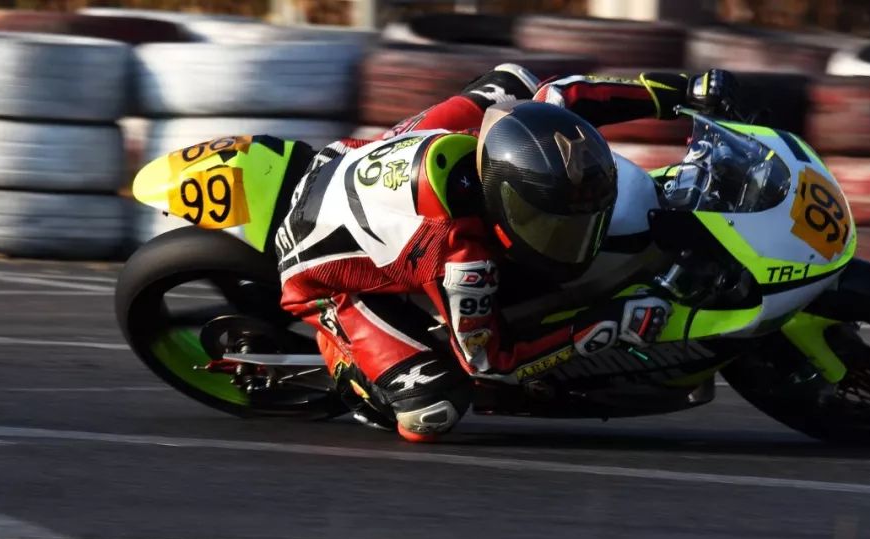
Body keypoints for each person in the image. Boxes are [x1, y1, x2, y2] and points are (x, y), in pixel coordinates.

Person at [275, 65, 739, 442]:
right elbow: (491, 362)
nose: (573, 238)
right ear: (503, 203)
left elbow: (568, 93)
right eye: (550, 225)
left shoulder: (507, 131)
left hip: (346, 158)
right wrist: (602, 326)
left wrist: (683, 91)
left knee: (512, 81)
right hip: (314, 271)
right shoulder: (462, 257)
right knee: (431, 412)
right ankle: (349, 364)